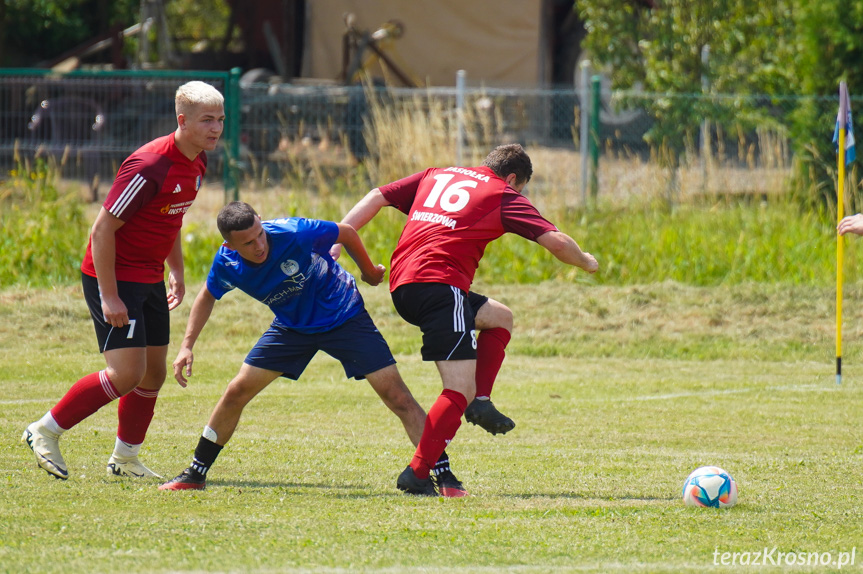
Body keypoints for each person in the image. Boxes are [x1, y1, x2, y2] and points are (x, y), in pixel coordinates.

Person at [334, 143, 598, 495]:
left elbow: (376, 195)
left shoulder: (437, 175)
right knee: (458, 388)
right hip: (442, 288)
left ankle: (481, 402)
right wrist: (586, 261)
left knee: (500, 317)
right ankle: (417, 472)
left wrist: (337, 238)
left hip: (403, 287)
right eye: (519, 188)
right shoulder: (503, 192)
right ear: (513, 178)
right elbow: (556, 242)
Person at [158, 202, 465, 497]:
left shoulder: (293, 232)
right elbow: (208, 296)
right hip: (292, 327)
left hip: (344, 315)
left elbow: (345, 232)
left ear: (262, 222)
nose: (259, 245)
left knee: (398, 396)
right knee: (236, 390)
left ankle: (444, 475)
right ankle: (195, 474)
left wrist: (369, 271)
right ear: (229, 245)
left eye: (259, 235)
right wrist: (186, 346)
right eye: (248, 243)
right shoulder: (227, 264)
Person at [22, 81, 226, 480]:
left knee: (154, 373)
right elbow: (101, 230)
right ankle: (44, 430)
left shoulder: (198, 161)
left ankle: (125, 459)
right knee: (126, 374)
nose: (216, 127)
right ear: (182, 120)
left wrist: (177, 271)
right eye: (207, 120)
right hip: (115, 276)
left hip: (148, 277)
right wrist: (110, 295)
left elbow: (171, 218)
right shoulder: (151, 164)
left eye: (220, 119)